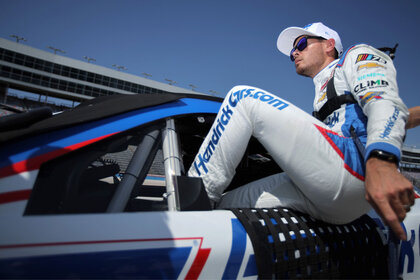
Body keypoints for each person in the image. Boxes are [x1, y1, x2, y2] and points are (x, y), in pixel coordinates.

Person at [188, 22, 415, 240]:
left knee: (243, 98)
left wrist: (383, 161)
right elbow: (399, 115)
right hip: (331, 197)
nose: (294, 53)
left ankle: (188, 205)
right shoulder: (322, 93)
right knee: (228, 204)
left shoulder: (356, 55)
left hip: (357, 170)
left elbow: (384, 102)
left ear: (329, 44)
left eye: (302, 44)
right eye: (292, 51)